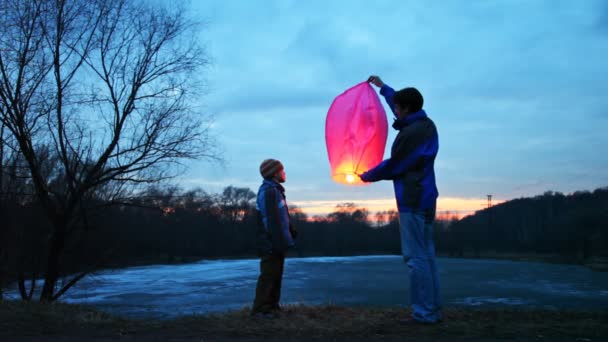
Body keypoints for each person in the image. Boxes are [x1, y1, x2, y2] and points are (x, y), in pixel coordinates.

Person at [360, 75, 442, 324]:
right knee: (426, 255)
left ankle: (424, 313)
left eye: (397, 107)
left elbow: (396, 165)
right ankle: (432, 310)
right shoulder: (425, 124)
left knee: (415, 257)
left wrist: (367, 175)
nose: (394, 110)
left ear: (406, 109)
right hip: (426, 197)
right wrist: (383, 88)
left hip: (413, 200)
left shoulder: (410, 135)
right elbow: (400, 104)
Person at [251, 159, 297, 318]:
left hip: (276, 241)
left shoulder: (275, 190)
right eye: (282, 170)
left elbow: (282, 217)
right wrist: (276, 242)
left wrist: (290, 231)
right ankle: (260, 311)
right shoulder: (270, 191)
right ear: (274, 173)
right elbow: (271, 220)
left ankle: (272, 307)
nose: (284, 173)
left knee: (276, 275)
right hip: (270, 243)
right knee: (269, 276)